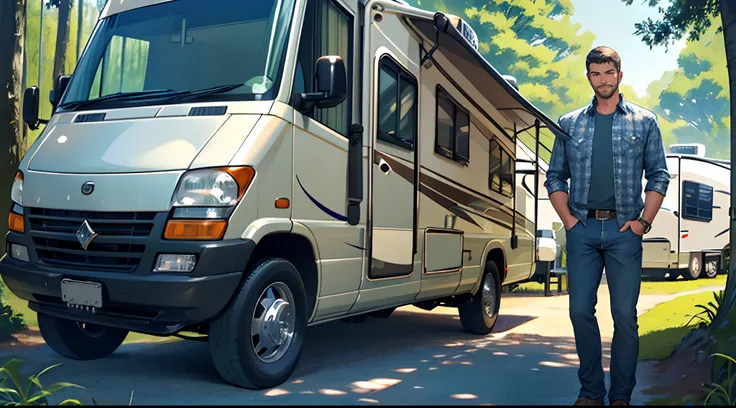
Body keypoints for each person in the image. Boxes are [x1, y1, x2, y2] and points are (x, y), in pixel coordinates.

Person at [544, 46, 670, 406]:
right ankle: (591, 392)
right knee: (580, 310)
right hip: (582, 229)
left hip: (623, 231)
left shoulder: (644, 122)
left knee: (624, 317)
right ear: (589, 78)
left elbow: (659, 174)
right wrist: (569, 220)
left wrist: (643, 221)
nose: (602, 80)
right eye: (595, 74)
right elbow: (555, 177)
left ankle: (620, 396)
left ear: (619, 75)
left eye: (608, 72)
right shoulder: (569, 124)